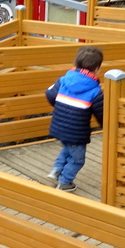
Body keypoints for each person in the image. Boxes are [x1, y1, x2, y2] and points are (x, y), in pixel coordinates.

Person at [44, 46, 104, 193]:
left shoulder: (63, 80)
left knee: (67, 148)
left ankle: (56, 170)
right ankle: (65, 182)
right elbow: (101, 112)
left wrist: (61, 107)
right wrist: (107, 125)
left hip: (59, 126)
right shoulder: (95, 90)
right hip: (77, 132)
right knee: (77, 159)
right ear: (96, 68)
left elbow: (50, 94)